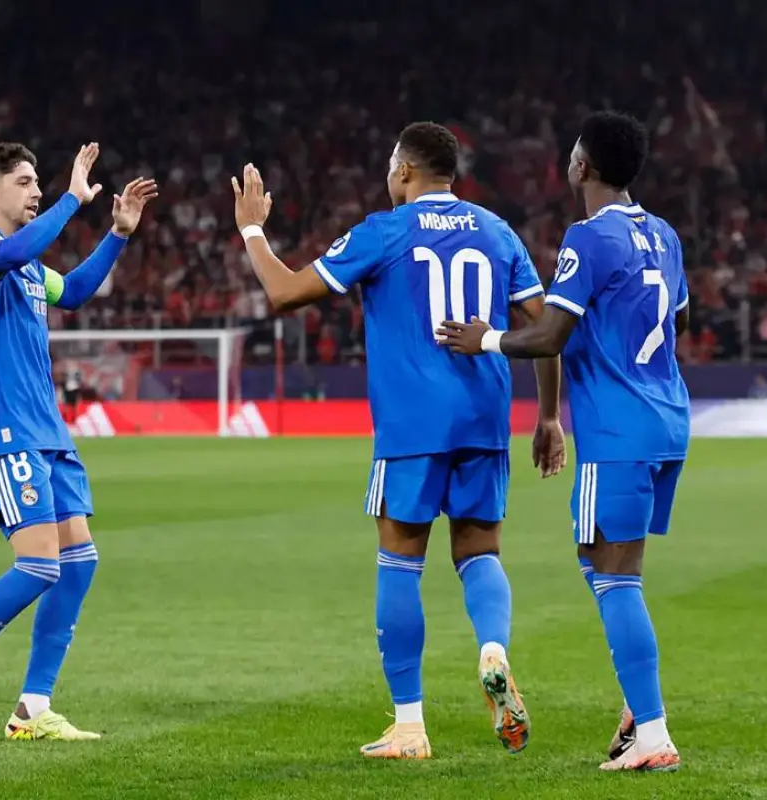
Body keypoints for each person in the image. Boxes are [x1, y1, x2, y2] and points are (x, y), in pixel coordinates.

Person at [230, 121, 566, 760]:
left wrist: (251, 229)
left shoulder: (383, 232)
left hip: (412, 427)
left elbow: (282, 293)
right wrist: (548, 418)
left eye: (390, 168)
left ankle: (409, 726)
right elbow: (545, 327)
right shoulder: (498, 232)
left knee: (399, 563)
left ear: (405, 171)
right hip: (483, 420)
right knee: (479, 554)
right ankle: (492, 648)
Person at [438, 111, 688, 772]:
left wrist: (483, 338)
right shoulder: (664, 234)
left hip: (618, 427)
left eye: (575, 148)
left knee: (616, 580)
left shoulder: (588, 236)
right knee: (602, 561)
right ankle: (641, 705)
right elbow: (677, 316)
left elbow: (549, 333)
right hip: (668, 417)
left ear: (585, 165)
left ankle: (653, 733)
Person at [0, 141, 156, 744]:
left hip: (49, 433)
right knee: (39, 564)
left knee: (79, 563)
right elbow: (16, 247)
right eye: (25, 181)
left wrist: (117, 234)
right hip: (4, 429)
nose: (36, 188)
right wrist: (72, 196)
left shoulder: (26, 268)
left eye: (39, 181)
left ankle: (32, 709)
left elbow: (76, 290)